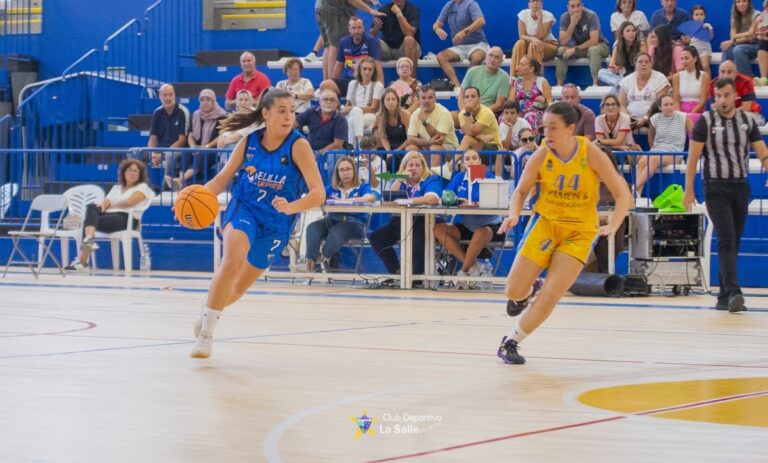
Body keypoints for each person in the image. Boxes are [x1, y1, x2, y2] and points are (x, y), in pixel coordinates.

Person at [189, 88, 326, 359]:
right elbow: (221, 179)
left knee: (238, 288)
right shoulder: (249, 142)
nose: (289, 117)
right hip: (245, 208)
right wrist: (192, 200)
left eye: (292, 111)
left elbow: (318, 193)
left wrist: (292, 206)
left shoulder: (299, 146)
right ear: (266, 114)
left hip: (276, 222)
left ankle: (207, 311)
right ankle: (206, 336)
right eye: (282, 111)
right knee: (232, 259)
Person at [496, 102, 631, 365]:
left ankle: (511, 341)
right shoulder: (540, 156)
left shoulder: (590, 153)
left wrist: (614, 224)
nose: (547, 133)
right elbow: (521, 191)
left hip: (579, 232)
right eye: (545, 127)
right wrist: (514, 214)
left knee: (553, 293)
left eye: (553, 127)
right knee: (512, 291)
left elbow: (622, 193)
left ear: (571, 129)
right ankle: (526, 291)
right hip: (546, 224)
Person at [684, 78, 768, 312]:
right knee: (726, 238)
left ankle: (723, 296)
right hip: (715, 187)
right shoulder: (705, 122)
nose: (722, 100)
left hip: (740, 186)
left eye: (727, 95)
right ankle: (733, 291)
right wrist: (689, 189)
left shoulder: (747, 121)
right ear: (714, 96)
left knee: (734, 241)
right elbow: (693, 159)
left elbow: (762, 151)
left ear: (734, 96)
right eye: (718, 96)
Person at [65, 160, 155, 271]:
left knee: (88, 221)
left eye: (136, 171)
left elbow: (128, 203)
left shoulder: (142, 188)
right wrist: (102, 205)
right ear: (123, 172)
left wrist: (110, 205)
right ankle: (89, 241)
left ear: (140, 174)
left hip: (127, 219)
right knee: (91, 207)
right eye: (130, 170)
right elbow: (106, 201)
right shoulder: (116, 188)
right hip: (109, 217)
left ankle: (82, 261)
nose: (132, 173)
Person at [434, 149, 503, 289]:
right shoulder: (459, 177)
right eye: (467, 159)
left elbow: (498, 201)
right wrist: (457, 201)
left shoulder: (488, 177)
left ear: (480, 162)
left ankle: (463, 272)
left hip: (491, 226)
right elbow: (446, 196)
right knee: (438, 229)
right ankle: (473, 265)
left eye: (474, 158)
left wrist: (479, 203)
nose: (471, 161)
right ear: (463, 163)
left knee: (481, 232)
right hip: (468, 225)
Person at [370, 151, 441, 285]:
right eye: (410, 165)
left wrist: (410, 201)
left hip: (422, 221)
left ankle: (416, 276)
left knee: (416, 239)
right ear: (404, 167)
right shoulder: (400, 180)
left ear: (423, 167)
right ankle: (396, 272)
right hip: (399, 221)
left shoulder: (430, 179)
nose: (413, 168)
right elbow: (387, 200)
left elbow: (432, 198)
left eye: (417, 165)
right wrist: (400, 178)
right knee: (376, 237)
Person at [305, 156, 377, 274]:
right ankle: (310, 261)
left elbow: (370, 197)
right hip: (332, 219)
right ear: (337, 173)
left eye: (348, 169)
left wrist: (351, 200)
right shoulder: (332, 188)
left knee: (336, 231)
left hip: (355, 223)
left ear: (354, 171)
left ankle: (322, 258)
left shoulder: (363, 187)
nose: (345, 173)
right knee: (312, 228)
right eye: (341, 170)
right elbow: (320, 196)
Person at [315, 0, 385, 82]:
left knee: (328, 46)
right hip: (332, 8)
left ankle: (326, 83)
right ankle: (331, 86)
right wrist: (370, 10)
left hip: (321, 6)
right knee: (335, 46)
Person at [635, 94, 691, 195]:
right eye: (666, 105)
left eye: (671, 104)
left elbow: (696, 133)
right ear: (660, 107)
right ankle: (636, 196)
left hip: (674, 153)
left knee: (656, 159)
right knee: (642, 161)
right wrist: (653, 148)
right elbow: (651, 135)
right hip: (657, 150)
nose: (669, 107)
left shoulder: (683, 117)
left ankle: (634, 188)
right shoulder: (655, 118)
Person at [321, 16, 384, 98]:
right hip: (350, 81)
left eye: (359, 27)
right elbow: (338, 66)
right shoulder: (343, 42)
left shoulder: (372, 41)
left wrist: (380, 90)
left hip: (367, 81)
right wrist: (334, 81)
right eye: (353, 28)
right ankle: (337, 109)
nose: (356, 31)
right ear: (349, 29)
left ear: (363, 28)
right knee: (325, 85)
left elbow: (378, 67)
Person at [178, 89, 228, 189]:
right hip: (198, 147)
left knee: (204, 154)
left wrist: (206, 146)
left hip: (213, 149)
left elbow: (220, 136)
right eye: (202, 100)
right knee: (186, 153)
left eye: (208, 100)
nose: (205, 102)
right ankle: (182, 184)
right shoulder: (196, 115)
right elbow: (191, 135)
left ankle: (180, 180)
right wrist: (192, 146)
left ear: (213, 101)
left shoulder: (222, 116)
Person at [433, 0, 490, 88]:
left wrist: (464, 32)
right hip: (459, 47)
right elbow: (436, 24)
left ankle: (466, 86)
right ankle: (458, 87)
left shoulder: (471, 3)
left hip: (478, 44)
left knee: (476, 57)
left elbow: (481, 21)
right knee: (441, 56)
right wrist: (437, 29)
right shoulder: (449, 5)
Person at [555, 0, 610, 87]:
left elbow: (594, 40)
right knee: (561, 50)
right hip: (580, 47)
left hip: (599, 45)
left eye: (578, 6)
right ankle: (559, 84)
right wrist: (572, 24)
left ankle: (596, 84)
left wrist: (574, 49)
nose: (576, 9)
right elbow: (563, 42)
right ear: (568, 7)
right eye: (573, 6)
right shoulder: (565, 17)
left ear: (582, 5)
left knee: (593, 49)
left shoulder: (591, 15)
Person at [405, 85, 459, 168]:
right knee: (411, 148)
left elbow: (438, 140)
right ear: (419, 100)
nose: (427, 101)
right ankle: (418, 178)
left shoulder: (444, 112)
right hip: (428, 146)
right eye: (423, 98)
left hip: (449, 148)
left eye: (430, 98)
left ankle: (433, 179)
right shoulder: (415, 114)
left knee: (435, 148)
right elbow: (410, 138)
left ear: (435, 99)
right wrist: (428, 143)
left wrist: (425, 121)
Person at [146, 84, 189, 190]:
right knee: (134, 152)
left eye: (170, 94)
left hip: (178, 149)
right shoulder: (157, 113)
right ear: (160, 96)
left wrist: (163, 154)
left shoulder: (182, 112)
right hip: (160, 149)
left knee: (170, 155)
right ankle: (141, 189)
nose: (168, 98)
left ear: (174, 95)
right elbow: (153, 138)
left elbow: (182, 140)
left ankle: (164, 188)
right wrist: (153, 153)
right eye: (165, 95)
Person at [618, 52, 670, 128]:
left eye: (646, 62)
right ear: (635, 64)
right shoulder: (627, 80)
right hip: (630, 118)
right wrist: (627, 117)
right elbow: (621, 104)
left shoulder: (660, 78)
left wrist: (646, 117)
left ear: (651, 64)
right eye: (640, 62)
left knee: (655, 122)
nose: (643, 64)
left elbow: (660, 104)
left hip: (652, 116)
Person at [458, 86, 502, 175]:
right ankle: (464, 181)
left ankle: (451, 165)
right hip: (475, 148)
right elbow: (466, 131)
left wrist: (467, 113)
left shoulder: (486, 112)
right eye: (467, 97)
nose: (470, 99)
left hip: (492, 149)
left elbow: (471, 132)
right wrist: (481, 137)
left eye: (473, 96)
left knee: (467, 140)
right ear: (464, 100)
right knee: (467, 149)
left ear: (479, 98)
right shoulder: (462, 114)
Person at [342, 57, 385, 146]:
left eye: (370, 69)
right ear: (359, 70)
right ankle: (358, 147)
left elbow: (374, 108)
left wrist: (354, 109)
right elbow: (348, 104)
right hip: (353, 115)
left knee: (354, 114)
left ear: (373, 72)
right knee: (351, 119)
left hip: (371, 115)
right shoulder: (352, 84)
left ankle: (356, 147)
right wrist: (345, 109)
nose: (367, 72)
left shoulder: (378, 85)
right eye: (364, 69)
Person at [509, 0, 559, 75]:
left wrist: (540, 19)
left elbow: (540, 37)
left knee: (535, 45)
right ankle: (515, 77)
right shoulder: (523, 14)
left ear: (541, 5)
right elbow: (521, 35)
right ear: (529, 5)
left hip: (548, 45)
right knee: (520, 43)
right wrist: (533, 39)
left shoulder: (548, 16)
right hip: (529, 45)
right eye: (533, 1)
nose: (535, 3)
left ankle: (535, 79)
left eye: (538, 1)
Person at [369, 0, 421, 70]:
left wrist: (399, 13)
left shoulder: (413, 9)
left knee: (409, 40)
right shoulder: (384, 9)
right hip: (388, 49)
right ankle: (372, 79)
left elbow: (410, 33)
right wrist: (376, 27)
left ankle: (410, 80)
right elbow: (371, 35)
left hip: (406, 49)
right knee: (371, 42)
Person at [709, 59, 765, 124]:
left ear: (736, 73)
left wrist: (728, 114)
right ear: (718, 72)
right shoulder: (713, 84)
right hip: (724, 115)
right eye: (722, 72)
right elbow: (714, 107)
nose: (725, 75)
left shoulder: (746, 81)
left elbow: (746, 107)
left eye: (729, 72)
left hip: (748, 114)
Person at [295, 89, 348, 156]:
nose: (328, 102)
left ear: (337, 103)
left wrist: (318, 153)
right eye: (325, 99)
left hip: (328, 153)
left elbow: (337, 145)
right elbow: (294, 123)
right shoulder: (312, 111)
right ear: (320, 102)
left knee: (335, 153)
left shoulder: (341, 120)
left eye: (332, 100)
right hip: (309, 150)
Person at [458, 46, 510, 115]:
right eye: (490, 55)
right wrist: (464, 113)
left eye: (497, 57)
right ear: (485, 58)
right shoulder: (472, 71)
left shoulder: (504, 77)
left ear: (501, 62)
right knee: (451, 117)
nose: (493, 59)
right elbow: (461, 96)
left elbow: (499, 104)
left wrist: (479, 113)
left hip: (488, 113)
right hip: (468, 111)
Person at [598, 21, 647, 93]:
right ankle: (622, 83)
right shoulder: (618, 45)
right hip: (623, 78)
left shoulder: (641, 44)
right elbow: (612, 65)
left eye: (633, 31)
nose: (631, 33)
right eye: (628, 31)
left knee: (616, 89)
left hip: (636, 76)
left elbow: (644, 64)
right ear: (622, 34)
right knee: (601, 72)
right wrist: (614, 68)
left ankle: (623, 84)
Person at [508, 55, 552, 134]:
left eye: (522, 65)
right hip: (518, 112)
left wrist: (545, 101)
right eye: (519, 64)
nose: (518, 67)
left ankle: (529, 143)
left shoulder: (542, 82)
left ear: (531, 69)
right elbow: (510, 102)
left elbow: (550, 103)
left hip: (535, 112)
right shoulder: (516, 82)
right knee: (504, 117)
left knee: (530, 116)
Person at [671, 45, 709, 125]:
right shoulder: (676, 76)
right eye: (682, 59)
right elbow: (676, 101)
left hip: (696, 111)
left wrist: (689, 116)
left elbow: (703, 101)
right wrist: (680, 115)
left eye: (687, 58)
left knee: (692, 121)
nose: (684, 61)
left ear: (695, 59)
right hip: (680, 111)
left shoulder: (704, 76)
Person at [721, 0, 760, 78]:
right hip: (741, 44)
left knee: (738, 49)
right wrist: (748, 33)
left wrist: (734, 40)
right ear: (735, 4)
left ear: (749, 2)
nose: (741, 4)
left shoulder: (757, 15)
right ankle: (727, 79)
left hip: (756, 45)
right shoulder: (734, 16)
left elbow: (751, 37)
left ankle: (747, 79)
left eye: (744, 1)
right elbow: (733, 35)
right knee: (727, 49)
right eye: (738, 2)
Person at [376, 88, 411, 161]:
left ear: (398, 101)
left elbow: (410, 138)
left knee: (393, 160)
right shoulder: (379, 116)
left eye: (393, 99)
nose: (391, 102)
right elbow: (383, 137)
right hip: (389, 148)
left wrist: (398, 150)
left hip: (404, 147)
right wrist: (388, 151)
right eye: (388, 100)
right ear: (383, 102)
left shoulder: (405, 114)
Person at [689, 5, 714, 72]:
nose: (699, 16)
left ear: (704, 16)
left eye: (701, 14)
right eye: (696, 14)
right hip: (693, 51)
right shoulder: (690, 27)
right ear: (692, 16)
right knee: (691, 67)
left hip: (705, 50)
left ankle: (709, 82)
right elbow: (689, 40)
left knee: (705, 66)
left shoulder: (707, 26)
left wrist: (708, 30)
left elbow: (711, 37)